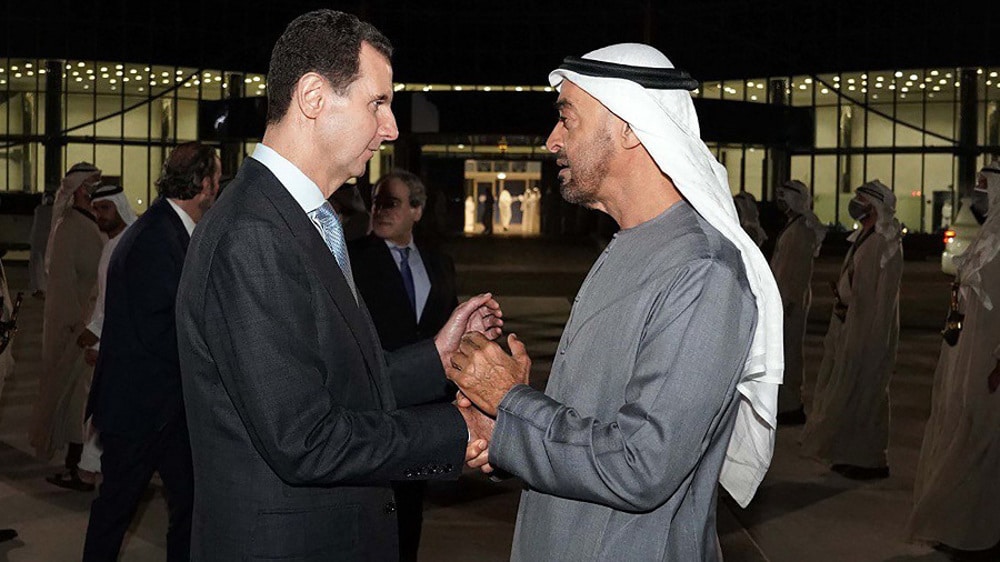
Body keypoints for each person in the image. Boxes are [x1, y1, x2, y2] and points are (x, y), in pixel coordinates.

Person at [174, 11, 501, 561]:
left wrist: (437, 358)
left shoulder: (298, 220)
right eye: (378, 103)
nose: (391, 127)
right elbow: (305, 438)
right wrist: (458, 429)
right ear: (313, 97)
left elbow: (334, 382)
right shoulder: (252, 234)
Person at [446, 43, 784, 561]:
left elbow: (640, 465)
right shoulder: (631, 244)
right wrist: (506, 431)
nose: (552, 140)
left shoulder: (702, 272)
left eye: (567, 119)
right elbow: (597, 423)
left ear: (629, 127)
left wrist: (511, 401)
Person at [82, 143, 220, 561]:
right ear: (203, 184)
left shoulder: (167, 228)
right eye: (217, 179)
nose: (219, 188)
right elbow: (162, 329)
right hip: (139, 411)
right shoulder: (156, 237)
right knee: (115, 512)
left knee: (189, 505)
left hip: (163, 408)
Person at [348, 170, 459, 561]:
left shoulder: (439, 263)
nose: (380, 210)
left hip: (423, 413)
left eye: (391, 203)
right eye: (376, 202)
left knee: (410, 518)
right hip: (374, 408)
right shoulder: (350, 260)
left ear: (417, 209)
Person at [908, 159, 1000, 553]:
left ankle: (980, 534)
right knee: (963, 433)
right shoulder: (987, 234)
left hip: (989, 357)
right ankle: (959, 526)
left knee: (982, 439)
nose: (978, 198)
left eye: (985, 189)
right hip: (966, 351)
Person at [800, 180, 903, 480]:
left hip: (868, 331)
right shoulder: (866, 238)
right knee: (849, 392)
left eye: (861, 199)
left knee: (867, 395)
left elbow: (880, 298)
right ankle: (849, 454)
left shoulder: (885, 243)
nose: (855, 203)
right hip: (850, 325)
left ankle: (870, 460)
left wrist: (868, 334)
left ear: (874, 206)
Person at [30, 162, 104, 491]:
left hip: (97, 326)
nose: (95, 192)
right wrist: (76, 328)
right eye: (90, 186)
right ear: (79, 191)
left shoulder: (96, 223)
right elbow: (61, 288)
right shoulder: (70, 227)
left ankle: (87, 465)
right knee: (76, 402)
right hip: (78, 331)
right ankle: (77, 466)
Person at [69, 184, 137, 488]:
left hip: (123, 346)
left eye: (106, 208)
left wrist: (99, 340)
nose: (100, 215)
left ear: (120, 208)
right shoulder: (112, 244)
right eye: (96, 209)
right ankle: (95, 469)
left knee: (109, 409)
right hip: (111, 339)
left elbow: (123, 304)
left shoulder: (129, 245)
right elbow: (105, 300)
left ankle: (101, 471)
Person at [771, 180, 826, 424]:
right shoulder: (793, 226)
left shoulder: (801, 230)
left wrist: (788, 303)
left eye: (785, 197)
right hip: (785, 301)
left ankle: (791, 406)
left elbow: (796, 271)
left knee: (790, 355)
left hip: (790, 303)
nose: (781, 201)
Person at [28, 192, 54, 298]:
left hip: (40, 241)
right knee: (41, 264)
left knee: (38, 264)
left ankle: (40, 289)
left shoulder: (40, 209)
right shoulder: (45, 210)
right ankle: (42, 289)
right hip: (43, 240)